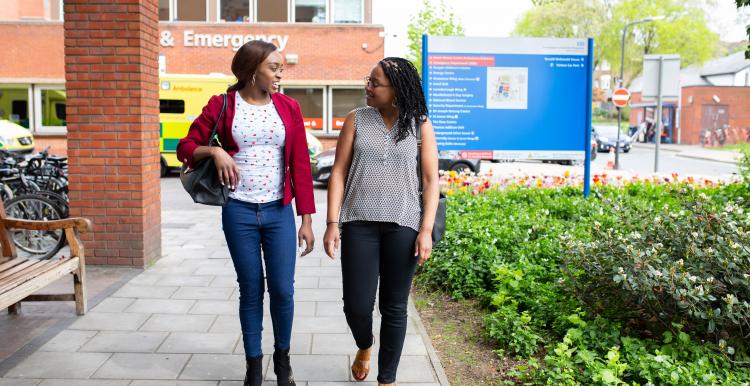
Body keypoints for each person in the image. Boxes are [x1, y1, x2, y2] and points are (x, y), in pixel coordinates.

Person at [176, 40, 315, 386]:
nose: (280, 73)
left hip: (278, 211)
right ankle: (254, 366)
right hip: (238, 212)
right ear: (253, 70)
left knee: (282, 289)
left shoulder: (288, 107)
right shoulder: (222, 104)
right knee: (251, 288)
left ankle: (282, 361)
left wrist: (307, 219)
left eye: (281, 67)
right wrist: (215, 152)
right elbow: (185, 147)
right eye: (274, 67)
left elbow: (300, 165)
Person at [323, 57, 440, 386]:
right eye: (368, 80)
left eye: (375, 83)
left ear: (397, 90)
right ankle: (364, 344)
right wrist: (333, 223)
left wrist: (426, 230)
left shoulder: (419, 124)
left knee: (394, 306)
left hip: (404, 223)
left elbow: (432, 181)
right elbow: (338, 173)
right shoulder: (356, 119)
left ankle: (386, 379)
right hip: (359, 222)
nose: (368, 87)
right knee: (356, 306)